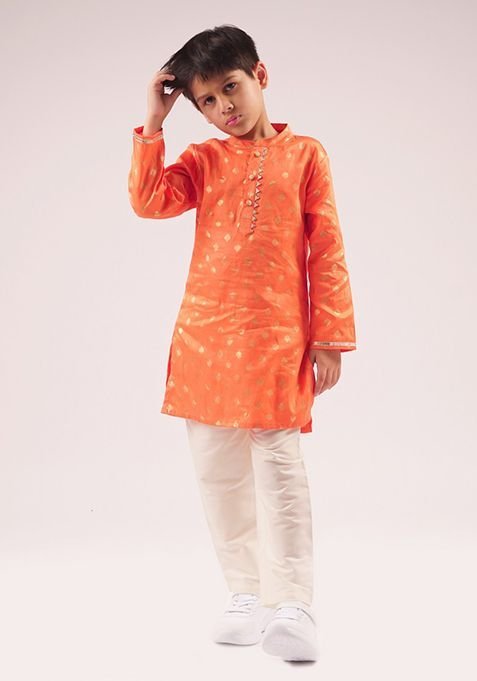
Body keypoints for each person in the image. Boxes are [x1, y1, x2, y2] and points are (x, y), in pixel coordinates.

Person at [128, 24, 357, 663]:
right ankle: (246, 593)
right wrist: (155, 122)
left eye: (230, 88)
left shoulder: (306, 155)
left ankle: (293, 603)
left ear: (260, 75)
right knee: (218, 474)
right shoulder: (203, 160)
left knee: (279, 471)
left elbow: (326, 247)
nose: (223, 108)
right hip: (204, 340)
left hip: (276, 340)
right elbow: (149, 201)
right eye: (206, 101)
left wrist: (330, 336)